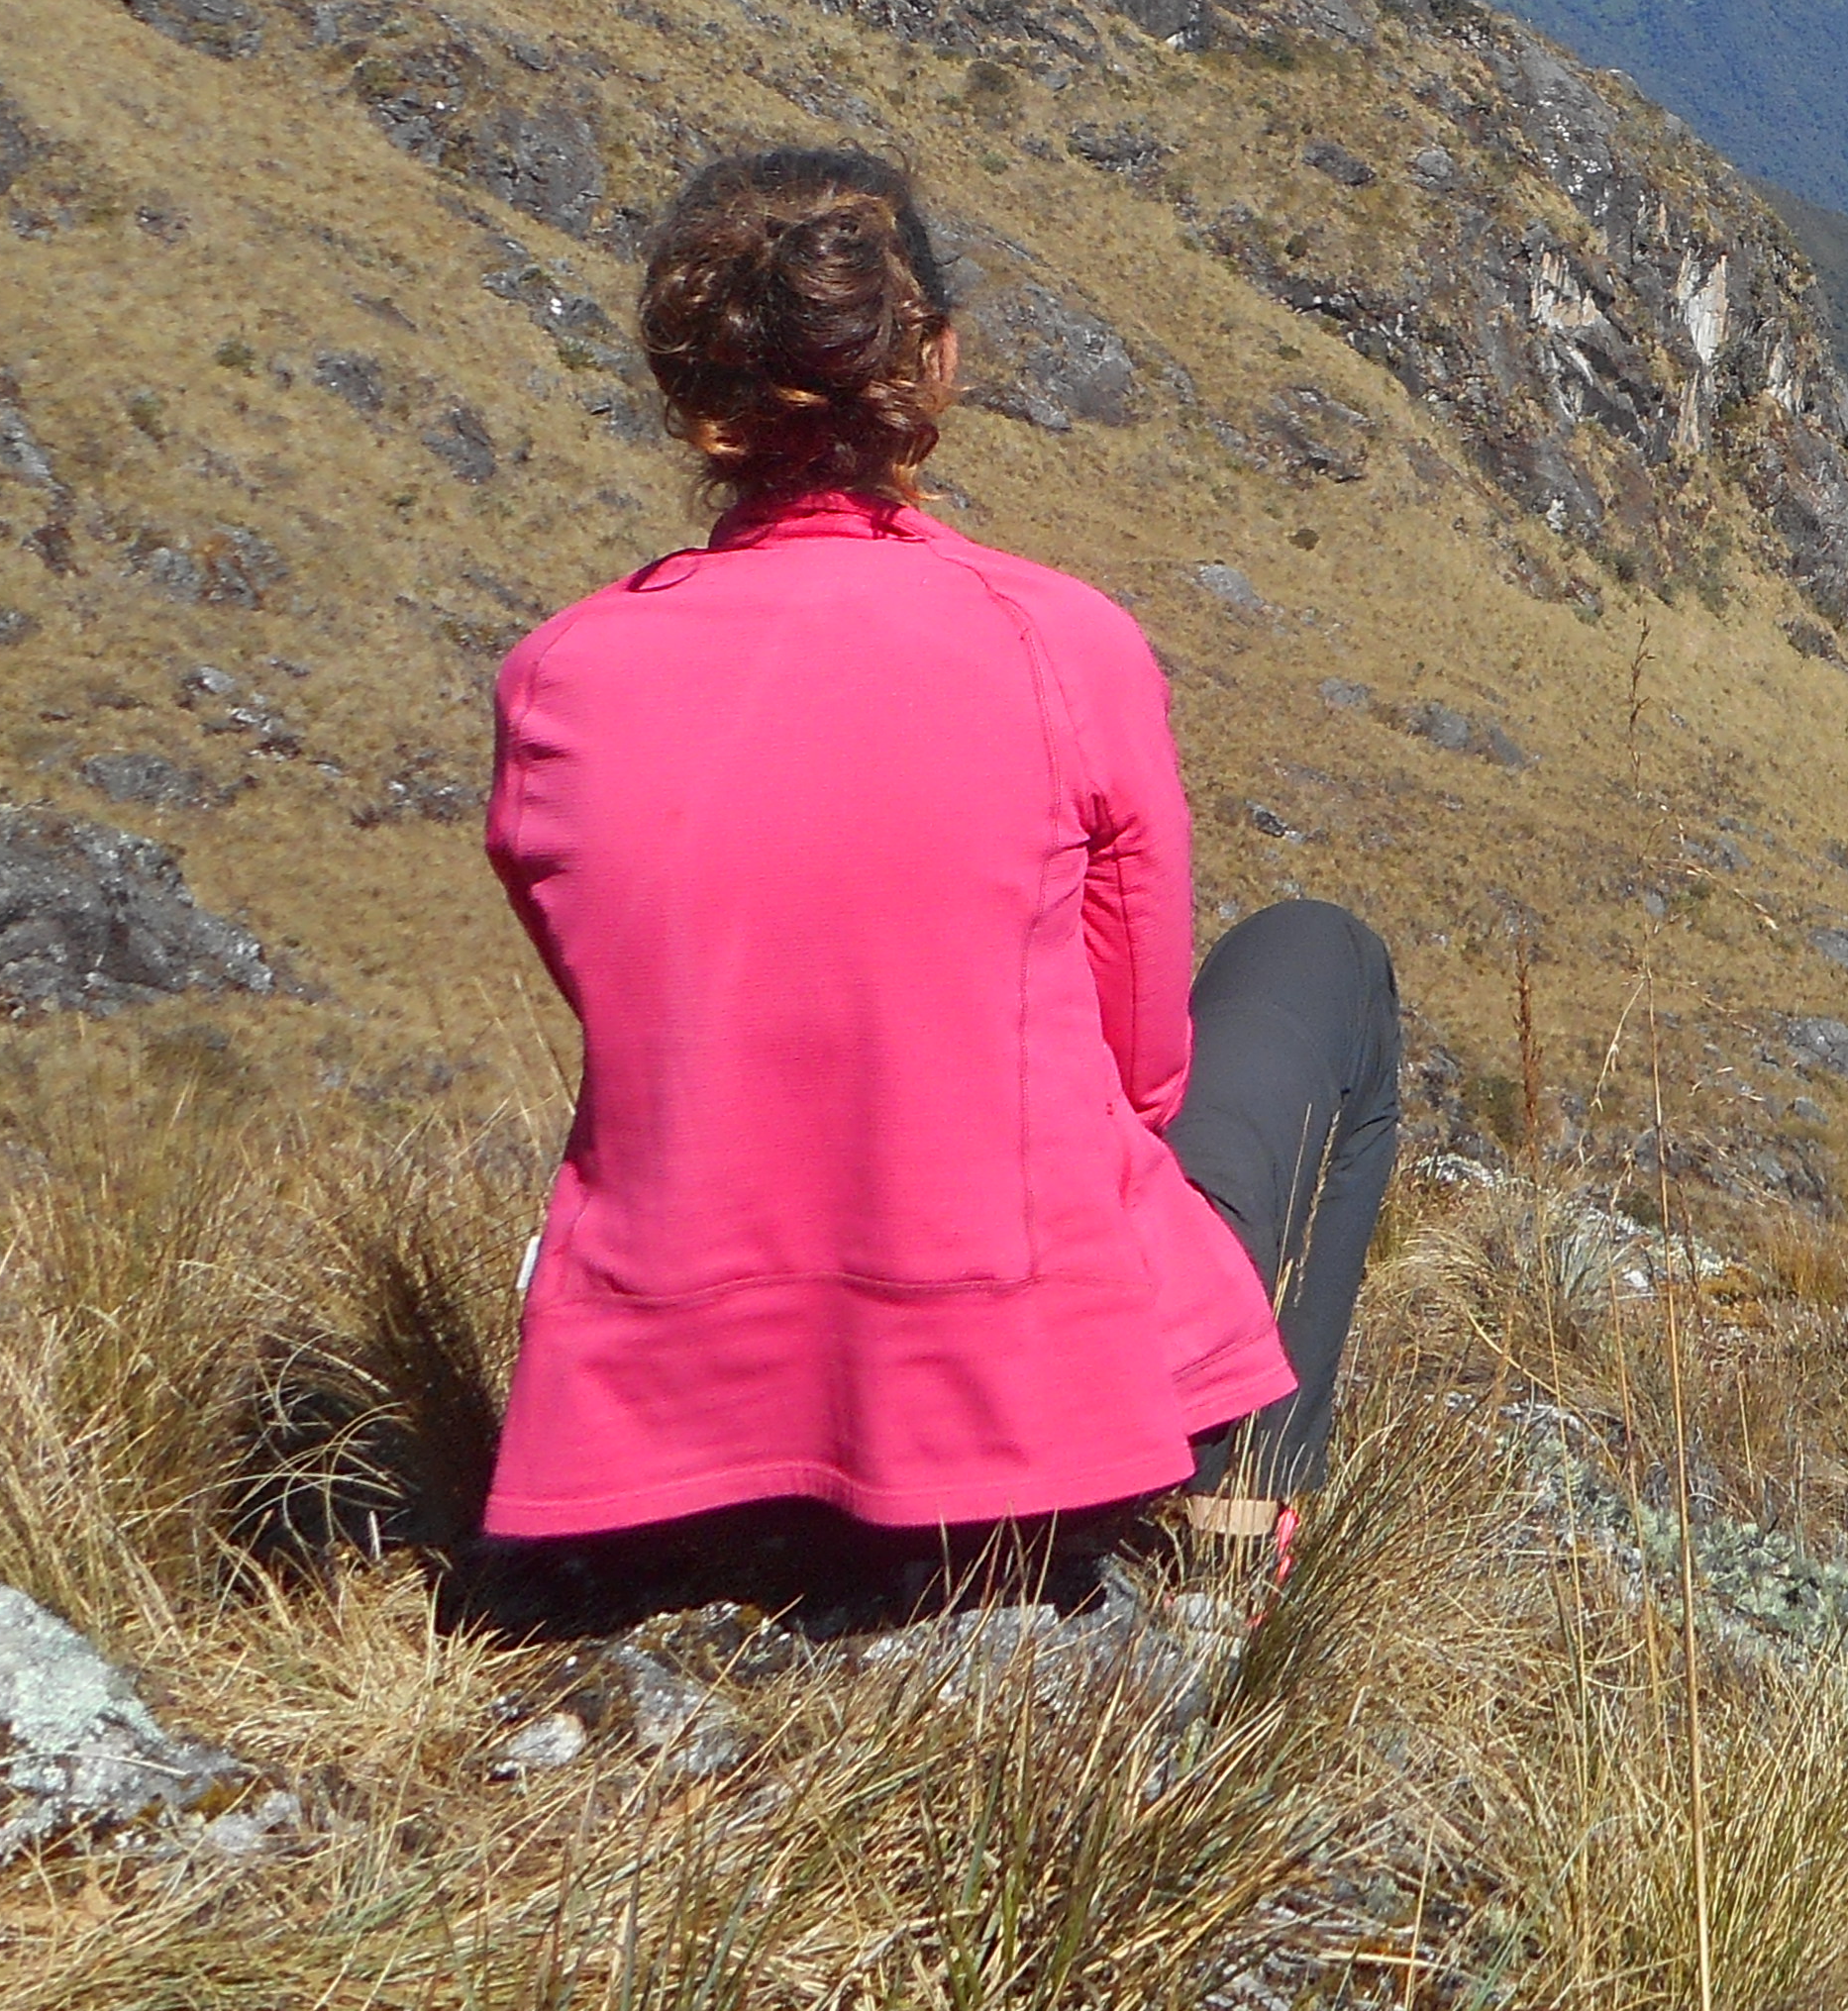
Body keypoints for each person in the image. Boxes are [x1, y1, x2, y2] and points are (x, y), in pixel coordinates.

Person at [474, 144, 1398, 1589]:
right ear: (939, 362)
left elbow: (642, 1010)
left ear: (691, 393)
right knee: (1322, 959)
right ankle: (1238, 1492)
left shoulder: (558, 681)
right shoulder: (1058, 644)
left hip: (651, 1453)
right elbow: (1142, 1068)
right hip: (1013, 1426)